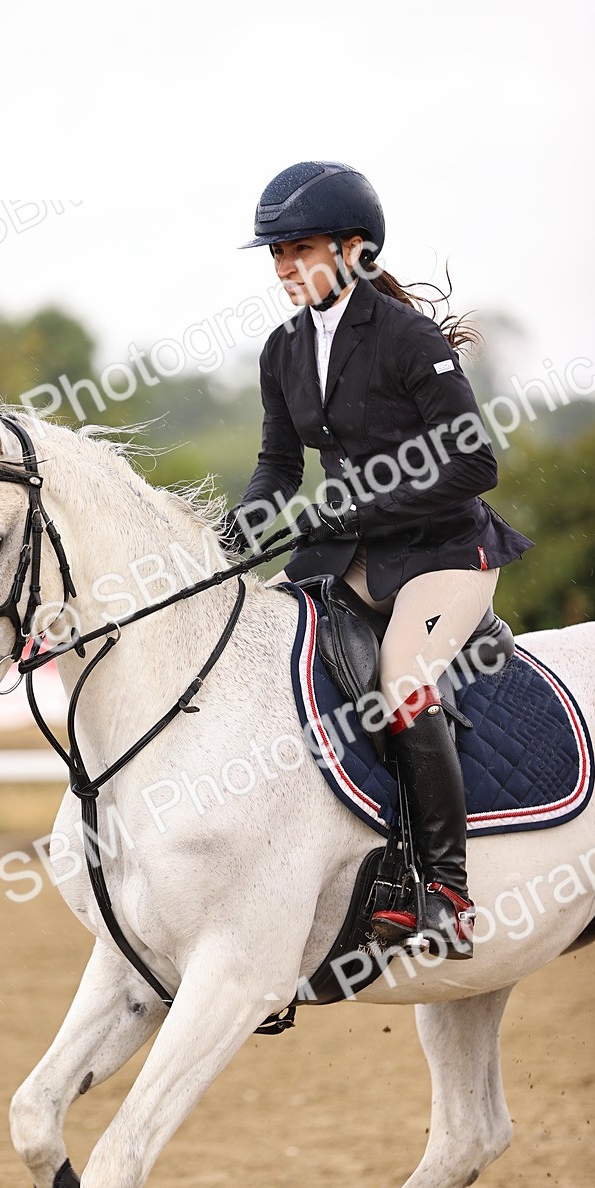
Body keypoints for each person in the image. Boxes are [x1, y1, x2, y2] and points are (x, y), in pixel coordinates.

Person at [225, 160, 534, 959]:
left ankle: (446, 890)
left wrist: (363, 507)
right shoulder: (283, 350)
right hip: (355, 551)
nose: (285, 269)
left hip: (442, 551)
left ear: (355, 250)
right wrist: (238, 531)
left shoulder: (407, 338)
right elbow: (279, 467)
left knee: (400, 677)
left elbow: (474, 465)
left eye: (299, 249)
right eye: (276, 255)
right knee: (272, 656)